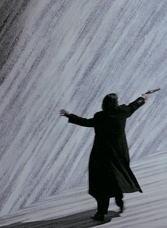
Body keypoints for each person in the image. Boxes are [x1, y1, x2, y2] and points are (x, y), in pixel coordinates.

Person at [59, 92, 151, 221]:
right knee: (117, 175)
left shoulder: (100, 116)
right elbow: (134, 105)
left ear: (104, 104)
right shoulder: (123, 112)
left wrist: (69, 115)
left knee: (101, 182)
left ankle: (101, 212)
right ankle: (119, 199)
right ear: (116, 103)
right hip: (120, 151)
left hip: (101, 153)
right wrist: (143, 97)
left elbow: (85, 122)